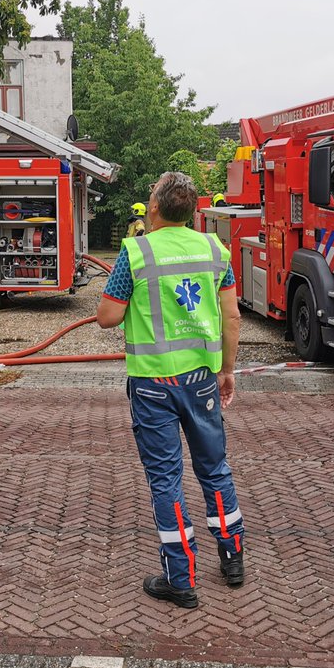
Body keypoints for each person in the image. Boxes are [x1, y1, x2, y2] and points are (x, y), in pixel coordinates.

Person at [97, 171, 245, 610]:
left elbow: (107, 316)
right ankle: (233, 559)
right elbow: (232, 317)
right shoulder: (215, 250)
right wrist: (226, 371)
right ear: (195, 211)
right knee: (215, 469)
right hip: (201, 380)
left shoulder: (136, 252)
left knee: (167, 480)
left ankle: (181, 580)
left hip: (153, 386)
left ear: (156, 207)